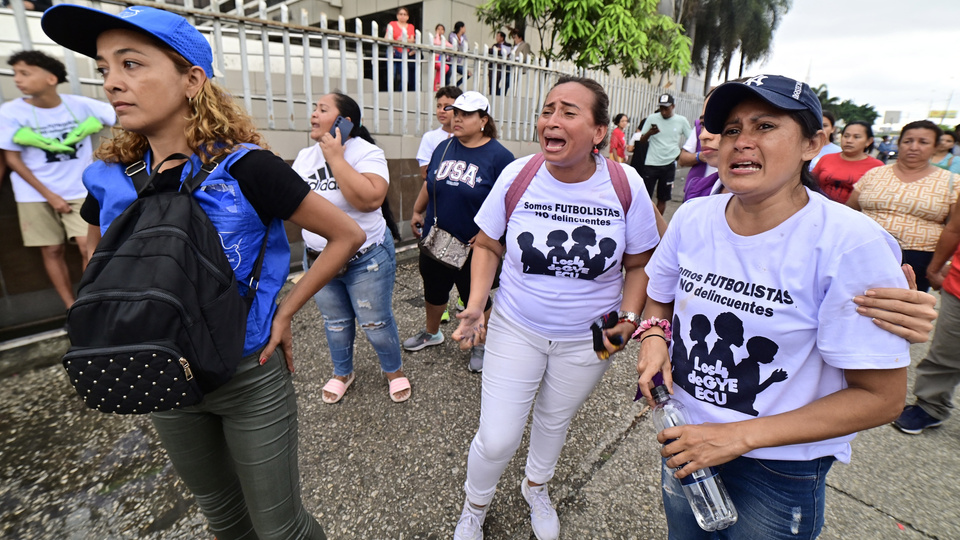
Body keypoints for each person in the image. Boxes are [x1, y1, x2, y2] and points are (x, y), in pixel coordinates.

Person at [41, 5, 365, 538]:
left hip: (248, 375)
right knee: (223, 518)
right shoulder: (108, 176)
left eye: (132, 64)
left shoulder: (249, 167)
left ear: (192, 79)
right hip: (161, 374)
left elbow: (345, 235)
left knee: (279, 528)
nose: (113, 84)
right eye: (104, 69)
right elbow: (94, 258)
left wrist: (284, 312)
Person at [637, 74, 912, 540]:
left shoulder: (849, 244)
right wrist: (653, 340)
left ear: (813, 143)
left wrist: (737, 437)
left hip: (780, 468)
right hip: (686, 438)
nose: (741, 142)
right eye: (730, 130)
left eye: (764, 126)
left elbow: (881, 398)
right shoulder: (694, 216)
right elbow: (659, 296)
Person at [450, 76, 662, 540]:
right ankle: (474, 507)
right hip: (516, 324)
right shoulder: (519, 174)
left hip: (594, 335)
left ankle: (536, 488)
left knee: (555, 419)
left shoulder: (626, 183)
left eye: (569, 112)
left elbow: (641, 261)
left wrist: (628, 319)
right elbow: (486, 243)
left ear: (599, 131)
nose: (552, 120)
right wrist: (477, 305)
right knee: (499, 435)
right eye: (548, 110)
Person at [292, 93, 409, 404]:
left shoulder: (366, 153)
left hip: (366, 259)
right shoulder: (305, 157)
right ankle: (343, 372)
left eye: (322, 109)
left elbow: (370, 199)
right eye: (314, 108)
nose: (314, 114)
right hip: (319, 259)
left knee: (376, 323)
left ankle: (393, 371)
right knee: (335, 322)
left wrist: (335, 158)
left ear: (346, 122)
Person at [406, 91, 514, 373]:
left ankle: (480, 342)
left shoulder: (500, 157)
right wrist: (418, 210)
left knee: (474, 294)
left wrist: (491, 238)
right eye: (456, 112)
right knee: (433, 288)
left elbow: (509, 204)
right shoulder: (443, 147)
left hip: (473, 245)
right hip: (436, 237)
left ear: (483, 120)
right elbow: (431, 184)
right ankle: (432, 333)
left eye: (466, 114)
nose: (457, 118)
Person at [0, 50, 115, 309]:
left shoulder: (80, 105)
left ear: (51, 78)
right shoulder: (10, 112)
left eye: (25, 73)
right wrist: (49, 196)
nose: (17, 79)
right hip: (34, 194)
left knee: (89, 246)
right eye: (16, 73)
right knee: (51, 250)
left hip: (78, 189)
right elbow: (12, 160)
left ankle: (92, 303)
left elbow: (123, 117)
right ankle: (69, 308)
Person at [848, 120, 960, 292]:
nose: (914, 147)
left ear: (936, 147)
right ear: (899, 143)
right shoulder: (875, 174)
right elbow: (850, 211)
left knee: (901, 311)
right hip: (864, 252)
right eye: (908, 141)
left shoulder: (951, 182)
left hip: (917, 260)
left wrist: (937, 268)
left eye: (923, 142)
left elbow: (954, 229)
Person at [638, 93, 692, 215]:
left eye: (666, 108)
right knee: (645, 197)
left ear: (673, 106)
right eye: (661, 108)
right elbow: (641, 140)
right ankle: (643, 222)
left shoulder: (681, 121)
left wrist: (680, 153)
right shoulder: (652, 118)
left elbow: (691, 139)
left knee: (663, 198)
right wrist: (650, 133)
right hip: (651, 163)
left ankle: (657, 226)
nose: (663, 111)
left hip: (669, 165)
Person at [812, 121, 883, 203]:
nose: (849, 140)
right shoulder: (826, 159)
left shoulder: (877, 167)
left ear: (869, 141)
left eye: (856, 137)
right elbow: (811, 183)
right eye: (846, 136)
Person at [678, 116, 720, 201]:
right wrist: (699, 156)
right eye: (703, 124)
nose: (703, 135)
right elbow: (682, 160)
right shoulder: (698, 129)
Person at [385, 7, 416, 92]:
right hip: (393, 51)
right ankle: (390, 93)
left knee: (404, 77)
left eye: (405, 14)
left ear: (408, 17)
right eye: (401, 14)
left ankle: (400, 93)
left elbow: (412, 40)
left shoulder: (410, 26)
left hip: (404, 53)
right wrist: (401, 39)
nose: (403, 16)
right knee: (392, 75)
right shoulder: (392, 24)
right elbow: (387, 38)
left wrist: (400, 39)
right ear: (397, 15)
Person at [487, 31, 511, 96]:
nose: (496, 38)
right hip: (493, 67)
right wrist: (498, 50)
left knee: (501, 84)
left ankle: (498, 95)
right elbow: (490, 51)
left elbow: (507, 53)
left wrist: (500, 50)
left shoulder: (508, 45)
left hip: (502, 67)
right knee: (492, 84)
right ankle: (492, 95)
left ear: (502, 38)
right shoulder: (495, 45)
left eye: (498, 36)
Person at [447, 21, 470, 86]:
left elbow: (467, 47)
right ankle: (447, 87)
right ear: (461, 27)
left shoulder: (464, 37)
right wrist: (460, 45)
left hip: (458, 61)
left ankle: (456, 85)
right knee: (449, 73)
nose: (465, 29)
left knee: (468, 74)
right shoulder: (452, 35)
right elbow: (454, 45)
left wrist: (460, 45)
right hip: (451, 60)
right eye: (464, 27)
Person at [433, 23, 452, 91]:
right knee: (444, 67)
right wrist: (437, 35)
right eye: (438, 29)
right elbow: (437, 43)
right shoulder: (434, 39)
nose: (440, 31)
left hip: (442, 60)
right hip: (435, 60)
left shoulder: (444, 40)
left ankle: (437, 86)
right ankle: (437, 87)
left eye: (442, 29)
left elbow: (451, 46)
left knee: (444, 68)